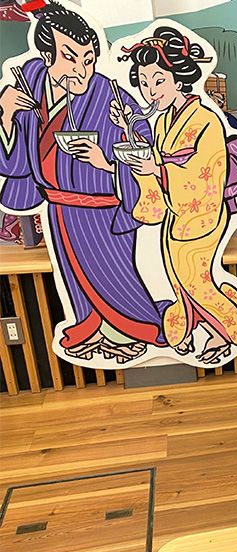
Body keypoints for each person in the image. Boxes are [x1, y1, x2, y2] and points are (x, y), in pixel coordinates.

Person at [0, 1, 166, 363]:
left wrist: (116, 142)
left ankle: (133, 328)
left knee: (113, 273)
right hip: (58, 205)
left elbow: (141, 134)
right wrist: (8, 112)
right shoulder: (29, 81)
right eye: (71, 57)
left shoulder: (107, 90)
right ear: (46, 55)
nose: (82, 68)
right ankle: (92, 327)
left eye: (89, 59)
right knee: (75, 276)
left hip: (103, 205)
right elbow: (15, 152)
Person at [117, 25, 237, 365]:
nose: (151, 91)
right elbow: (160, 160)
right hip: (177, 214)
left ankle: (230, 328)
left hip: (201, 214)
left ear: (178, 79)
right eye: (145, 83)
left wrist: (157, 170)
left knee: (197, 279)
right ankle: (196, 326)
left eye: (158, 81)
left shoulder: (206, 118)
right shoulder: (164, 121)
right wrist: (143, 155)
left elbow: (205, 173)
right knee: (178, 278)